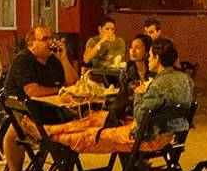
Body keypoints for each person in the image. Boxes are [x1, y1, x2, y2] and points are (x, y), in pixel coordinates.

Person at [46, 39, 193, 154]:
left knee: (91, 135)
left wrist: (139, 94)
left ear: (157, 58)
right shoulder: (186, 79)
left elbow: (141, 117)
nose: (148, 58)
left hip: (151, 136)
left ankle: (50, 137)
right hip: (172, 132)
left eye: (150, 55)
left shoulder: (157, 85)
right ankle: (50, 130)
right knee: (96, 118)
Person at [0, 26, 79, 171]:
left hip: (50, 108)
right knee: (15, 133)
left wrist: (64, 60)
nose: (50, 42)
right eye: (44, 39)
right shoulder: (23, 60)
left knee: (75, 125)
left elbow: (73, 84)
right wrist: (59, 90)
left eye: (51, 38)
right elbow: (32, 91)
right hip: (22, 108)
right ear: (31, 44)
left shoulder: (54, 60)